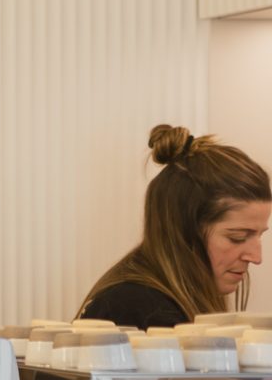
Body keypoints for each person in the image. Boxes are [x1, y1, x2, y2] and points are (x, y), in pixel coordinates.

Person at [77, 125, 270, 328]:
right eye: (238, 237)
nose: (256, 257)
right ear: (183, 233)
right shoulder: (133, 307)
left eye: (260, 235)